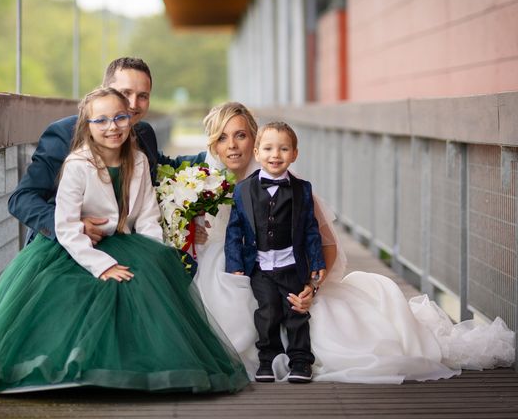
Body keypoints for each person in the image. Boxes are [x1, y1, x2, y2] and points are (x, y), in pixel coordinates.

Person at [193, 101, 515, 383]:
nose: (232, 145)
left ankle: (295, 358)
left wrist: (311, 288)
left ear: (256, 138)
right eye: (222, 137)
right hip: (241, 281)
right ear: (213, 145)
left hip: (290, 280)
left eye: (240, 135)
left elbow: (327, 245)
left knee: (339, 336)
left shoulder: (293, 187)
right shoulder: (204, 188)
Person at [0, 88, 249, 394]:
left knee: (145, 282)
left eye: (120, 118)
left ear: (130, 119)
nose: (112, 127)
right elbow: (67, 227)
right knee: (86, 290)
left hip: (125, 239)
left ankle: (135, 367)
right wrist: (101, 265)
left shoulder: (138, 161)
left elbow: (148, 216)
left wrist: (158, 258)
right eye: (101, 120)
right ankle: (71, 368)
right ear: (88, 126)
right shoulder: (77, 165)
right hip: (78, 247)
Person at [8, 57, 205, 245]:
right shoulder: (63, 134)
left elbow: (167, 168)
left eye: (142, 96)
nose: (133, 104)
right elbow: (22, 199)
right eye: (125, 93)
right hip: (69, 246)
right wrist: (73, 227)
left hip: (127, 243)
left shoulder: (144, 133)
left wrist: (216, 153)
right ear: (104, 91)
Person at [225, 121, 326, 384]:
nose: (275, 155)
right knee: (267, 311)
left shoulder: (302, 189)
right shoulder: (243, 189)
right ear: (257, 152)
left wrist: (317, 261)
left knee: (296, 312)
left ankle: (301, 361)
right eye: (268, 148)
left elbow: (310, 230)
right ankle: (268, 359)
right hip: (260, 266)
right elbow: (234, 231)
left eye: (283, 149)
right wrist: (234, 264)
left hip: (291, 264)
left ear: (294, 154)